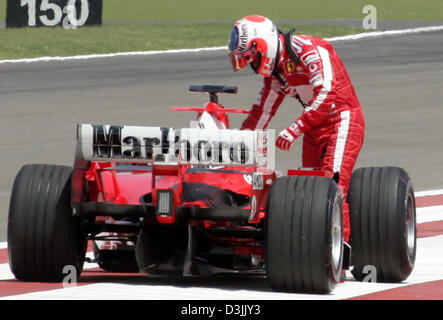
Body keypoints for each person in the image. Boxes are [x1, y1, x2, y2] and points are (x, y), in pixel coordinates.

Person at [228, 15, 365, 244]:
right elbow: (261, 113)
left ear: (264, 45)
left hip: (343, 120)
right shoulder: (277, 73)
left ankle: (339, 254)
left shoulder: (310, 50)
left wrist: (294, 129)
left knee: (333, 188)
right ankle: (311, 250)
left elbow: (328, 94)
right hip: (314, 127)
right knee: (311, 192)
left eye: (252, 56)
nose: (252, 63)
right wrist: (238, 146)